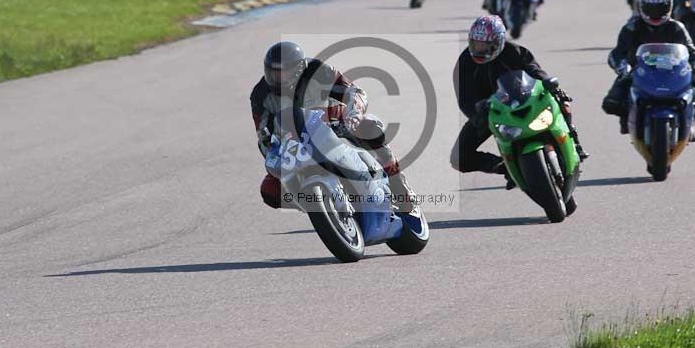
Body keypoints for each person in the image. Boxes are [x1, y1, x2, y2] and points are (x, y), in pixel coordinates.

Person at [251, 41, 417, 211]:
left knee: (372, 129)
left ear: (298, 68)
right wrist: (276, 158)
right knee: (269, 190)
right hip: (296, 145)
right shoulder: (260, 95)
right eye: (272, 73)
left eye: (283, 74)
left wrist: (354, 114)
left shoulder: (318, 71)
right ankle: (313, 205)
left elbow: (354, 91)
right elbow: (264, 136)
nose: (276, 79)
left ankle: (398, 184)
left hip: (334, 124)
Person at [450, 16, 588, 187]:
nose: (480, 49)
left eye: (485, 45)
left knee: (562, 101)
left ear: (499, 41)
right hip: (492, 113)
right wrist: (476, 116)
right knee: (458, 158)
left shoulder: (514, 51)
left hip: (525, 102)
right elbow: (464, 98)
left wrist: (550, 84)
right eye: (476, 44)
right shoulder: (465, 62)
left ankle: (575, 142)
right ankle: (505, 167)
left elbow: (534, 69)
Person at [602, 0, 695, 140]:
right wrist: (622, 65)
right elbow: (616, 53)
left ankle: (690, 123)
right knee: (611, 102)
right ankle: (628, 119)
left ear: (669, 7)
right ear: (642, 7)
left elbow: (691, 50)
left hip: (672, 71)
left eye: (660, 8)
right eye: (651, 8)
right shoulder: (631, 28)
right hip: (639, 71)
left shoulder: (676, 27)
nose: (656, 13)